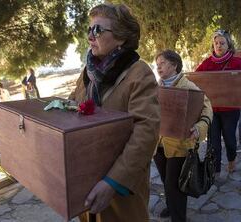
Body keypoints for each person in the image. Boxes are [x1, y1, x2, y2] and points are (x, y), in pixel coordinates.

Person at [69, 3, 160, 222]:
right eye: (89, 30)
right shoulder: (88, 73)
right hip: (87, 181)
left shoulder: (139, 73)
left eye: (98, 30)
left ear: (120, 38)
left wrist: (112, 182)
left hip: (121, 191)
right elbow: (74, 105)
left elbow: (146, 132)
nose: (91, 36)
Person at [154, 50, 212, 222]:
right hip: (158, 143)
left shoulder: (189, 87)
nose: (158, 66)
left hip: (180, 144)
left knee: (174, 184)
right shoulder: (157, 87)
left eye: (162, 63)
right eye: (157, 63)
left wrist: (200, 127)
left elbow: (207, 108)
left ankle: (179, 217)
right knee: (166, 180)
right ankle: (172, 206)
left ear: (174, 65)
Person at [196, 30, 241, 170]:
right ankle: (215, 170)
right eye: (216, 43)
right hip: (212, 110)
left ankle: (231, 159)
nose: (219, 46)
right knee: (213, 142)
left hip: (231, 110)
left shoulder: (237, 62)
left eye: (222, 43)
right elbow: (195, 79)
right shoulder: (207, 63)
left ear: (228, 44)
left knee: (229, 139)